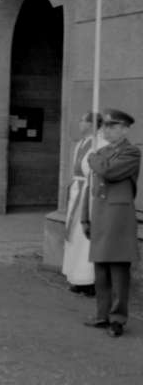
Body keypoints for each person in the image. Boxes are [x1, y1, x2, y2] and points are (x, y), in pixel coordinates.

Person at [82, 109, 141, 338]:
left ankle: (117, 320)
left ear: (124, 129)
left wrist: (92, 158)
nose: (106, 130)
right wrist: (85, 217)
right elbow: (92, 187)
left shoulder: (131, 152)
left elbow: (108, 172)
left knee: (118, 272)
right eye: (105, 126)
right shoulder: (102, 152)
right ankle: (102, 315)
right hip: (100, 215)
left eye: (112, 126)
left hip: (118, 219)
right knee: (101, 273)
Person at [62, 112, 107, 296]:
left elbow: (96, 170)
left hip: (88, 194)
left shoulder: (100, 143)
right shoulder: (80, 143)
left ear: (91, 124)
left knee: (85, 236)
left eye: (82, 120)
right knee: (74, 235)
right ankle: (75, 276)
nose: (80, 123)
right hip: (77, 191)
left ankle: (88, 279)